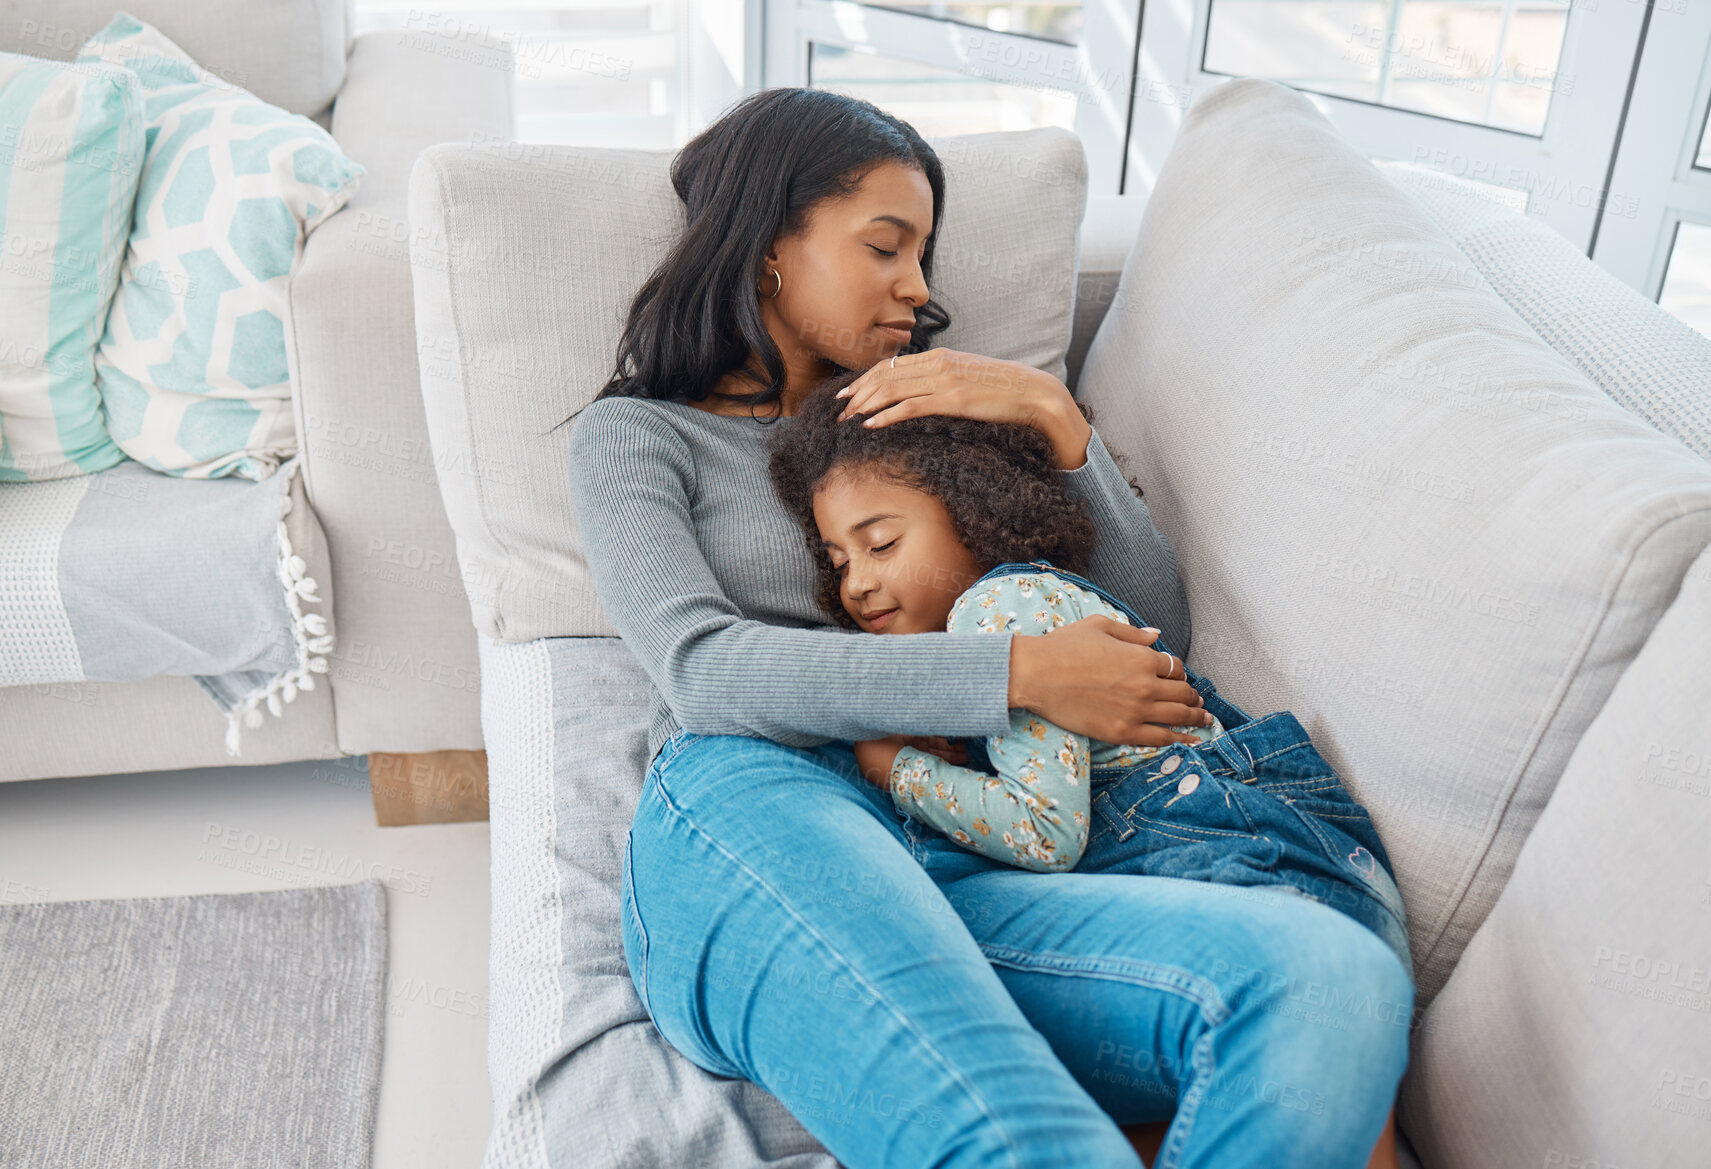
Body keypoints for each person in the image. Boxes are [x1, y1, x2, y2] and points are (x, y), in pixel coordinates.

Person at [561, 84, 1414, 1168]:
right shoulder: (636, 436)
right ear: (770, 242)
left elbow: (1142, 638)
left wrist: (1057, 421)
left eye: (925, 256)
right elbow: (703, 672)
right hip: (760, 803)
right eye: (886, 246)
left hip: (984, 840)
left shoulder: (923, 412)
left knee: (1330, 975)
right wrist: (1009, 672)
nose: (918, 290)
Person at [762, 370, 1414, 983]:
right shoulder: (1023, 606)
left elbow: (1045, 832)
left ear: (971, 509)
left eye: (881, 545)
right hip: (1307, 860)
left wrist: (894, 767)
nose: (858, 584)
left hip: (1235, 857)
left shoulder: (999, 608)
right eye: (838, 560)